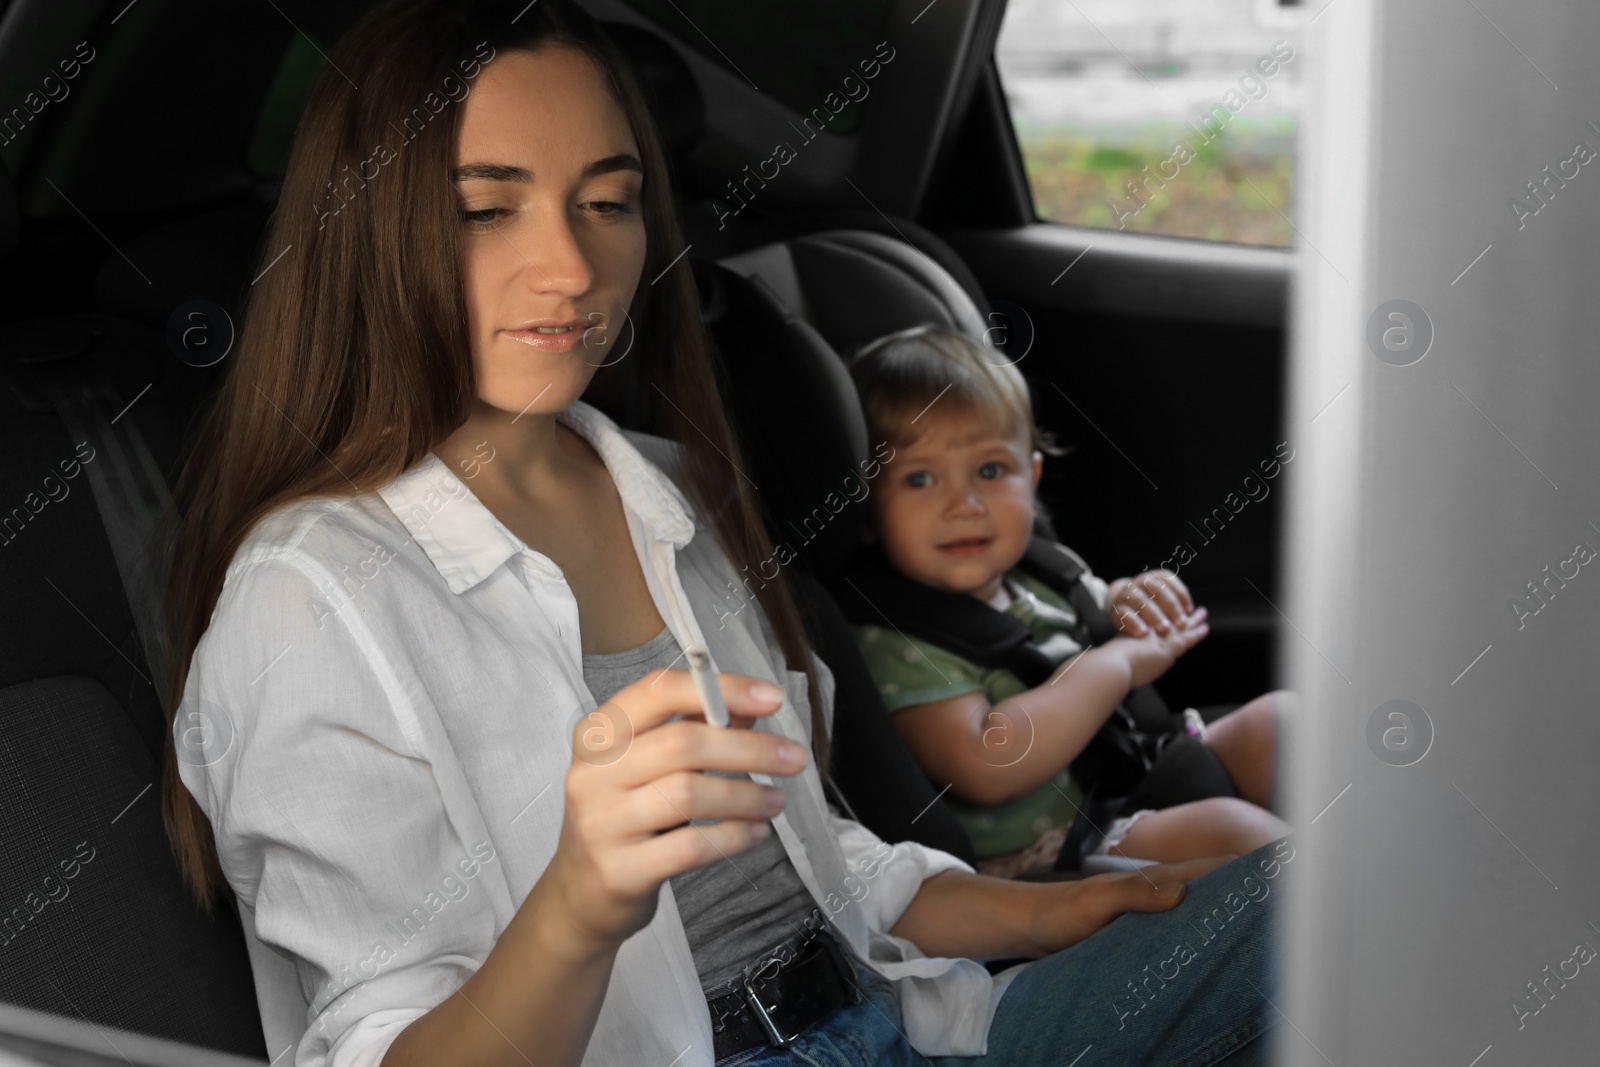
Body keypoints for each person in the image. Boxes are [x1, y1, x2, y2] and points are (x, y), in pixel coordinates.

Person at [156, 2, 1285, 1065]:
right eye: (485, 207)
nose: (572, 267)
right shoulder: (305, 600)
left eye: (606, 200)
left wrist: (1045, 912)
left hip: (917, 1014)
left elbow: (825, 858)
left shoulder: (660, 486)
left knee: (1325, 895)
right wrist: (580, 903)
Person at [847, 324, 1292, 878]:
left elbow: (1095, 610)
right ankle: (1353, 935)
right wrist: (1118, 664)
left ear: (1031, 476)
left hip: (1126, 777)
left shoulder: (1034, 571)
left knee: (1286, 723)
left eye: (990, 471)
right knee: (1242, 836)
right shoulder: (895, 641)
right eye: (919, 479)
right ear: (865, 508)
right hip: (1050, 857)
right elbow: (987, 762)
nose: (964, 503)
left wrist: (1131, 599)